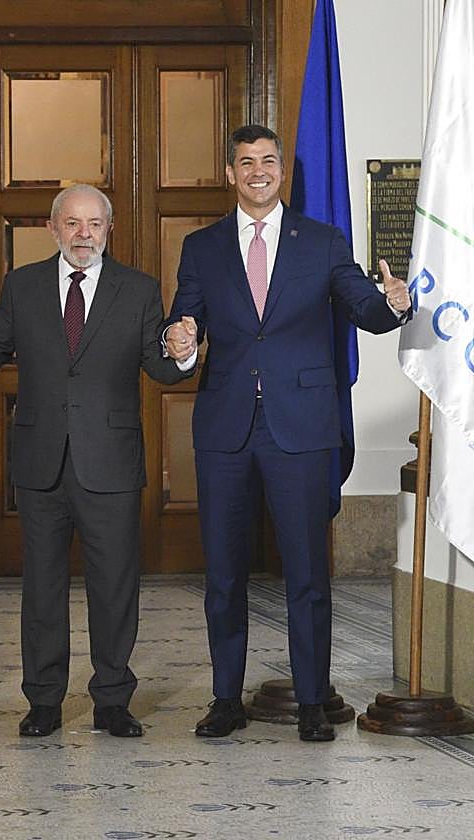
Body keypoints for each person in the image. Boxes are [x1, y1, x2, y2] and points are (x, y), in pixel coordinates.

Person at [165, 124, 411, 742]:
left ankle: (309, 700)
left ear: (282, 172)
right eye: (245, 162)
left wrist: (395, 304)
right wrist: (182, 342)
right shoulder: (201, 247)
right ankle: (225, 699)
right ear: (229, 173)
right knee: (223, 573)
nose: (257, 171)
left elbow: (365, 309)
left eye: (268, 161)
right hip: (225, 429)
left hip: (300, 429)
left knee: (306, 572)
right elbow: (183, 319)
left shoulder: (323, 243)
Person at [0, 184, 191, 739]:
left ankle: (112, 700)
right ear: (54, 228)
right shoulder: (23, 285)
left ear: (109, 230)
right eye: (73, 223)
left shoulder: (138, 289)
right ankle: (43, 700)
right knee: (42, 587)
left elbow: (160, 365)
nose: (84, 234)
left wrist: (182, 353)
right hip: (41, 461)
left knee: (114, 586)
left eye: (95, 224)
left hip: (109, 460)